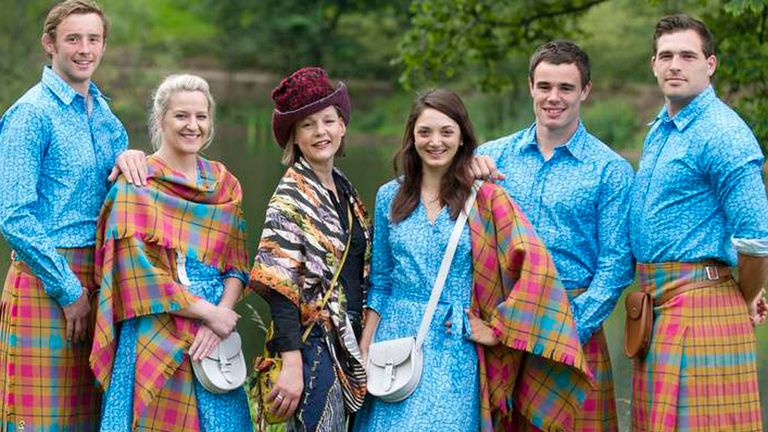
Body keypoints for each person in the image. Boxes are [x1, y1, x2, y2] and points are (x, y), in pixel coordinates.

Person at [353, 89, 592, 432]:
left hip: (455, 343)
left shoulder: (486, 197)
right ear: (412, 137)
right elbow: (382, 279)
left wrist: (499, 328)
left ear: (463, 137)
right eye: (425, 132)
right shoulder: (389, 195)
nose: (435, 141)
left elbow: (536, 269)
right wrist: (366, 344)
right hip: (395, 344)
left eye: (446, 132)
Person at [0, 1, 146, 429]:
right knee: (40, 421)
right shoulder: (30, 115)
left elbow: (116, 197)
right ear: (50, 44)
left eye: (93, 39)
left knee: (92, 418)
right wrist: (69, 291)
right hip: (47, 282)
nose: (85, 49)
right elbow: (13, 216)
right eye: (73, 39)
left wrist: (132, 157)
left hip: (101, 280)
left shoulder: (104, 116)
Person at [475, 40, 634, 431]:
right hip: (501, 329)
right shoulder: (492, 157)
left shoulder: (610, 170)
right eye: (544, 86)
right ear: (531, 86)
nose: (553, 98)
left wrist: (567, 326)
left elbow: (615, 266)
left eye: (565, 88)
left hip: (572, 328)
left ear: (585, 91)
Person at [89, 74, 252, 430]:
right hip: (156, 328)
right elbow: (137, 275)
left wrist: (221, 317)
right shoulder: (135, 184)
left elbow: (237, 266)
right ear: (160, 118)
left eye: (201, 116)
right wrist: (207, 313)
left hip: (214, 340)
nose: (192, 126)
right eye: (181, 116)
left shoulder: (224, 183)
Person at [629, 14, 768, 431]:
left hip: (701, 305)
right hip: (658, 305)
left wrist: (739, 294)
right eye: (666, 55)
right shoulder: (664, 127)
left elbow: (757, 241)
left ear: (710, 64)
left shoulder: (722, 132)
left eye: (687, 55)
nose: (675, 65)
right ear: (653, 64)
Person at [250, 67, 371, 431]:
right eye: (308, 125)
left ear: (343, 126)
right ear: (295, 138)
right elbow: (279, 289)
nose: (321, 132)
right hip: (313, 347)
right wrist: (291, 363)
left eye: (328, 121)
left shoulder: (345, 190)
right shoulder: (289, 197)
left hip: (348, 342)